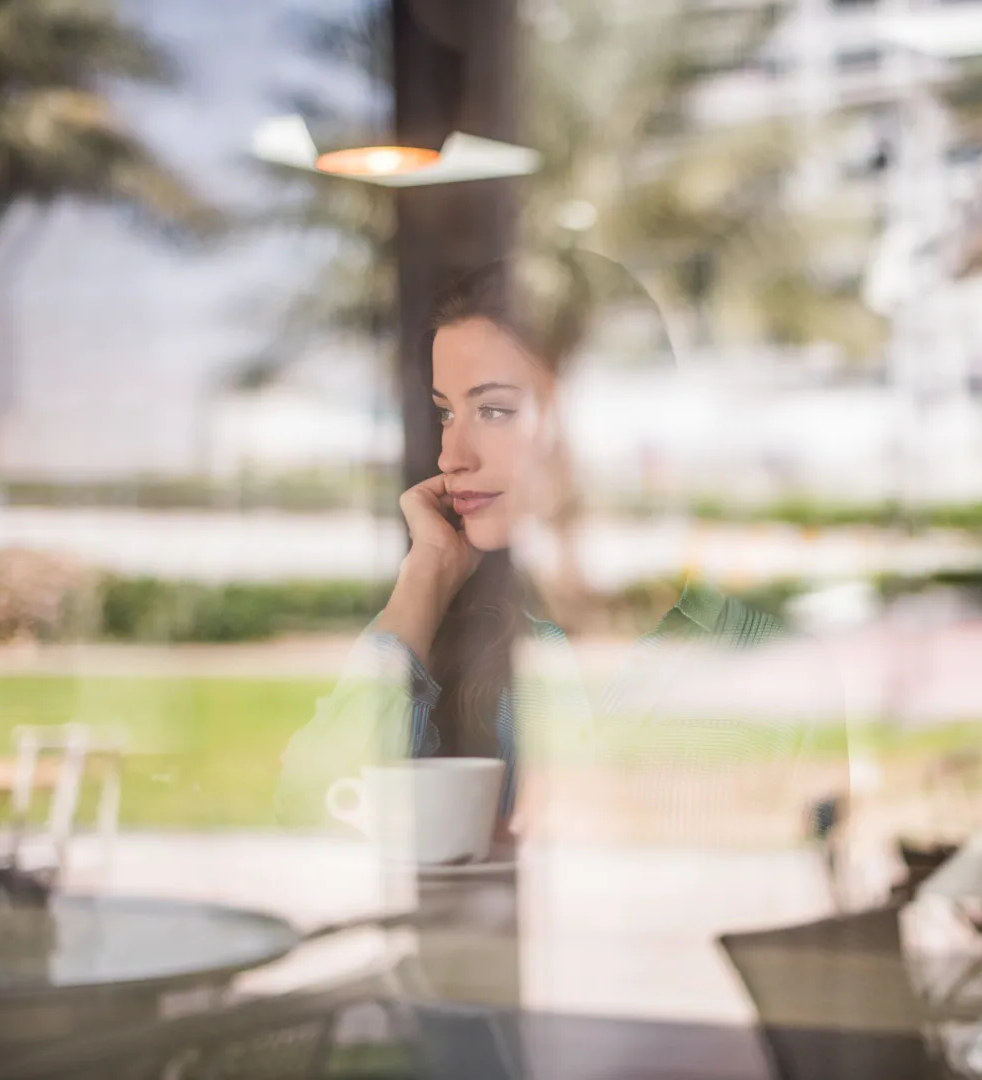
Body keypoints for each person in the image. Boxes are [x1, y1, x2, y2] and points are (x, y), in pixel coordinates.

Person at [276, 250, 848, 1078]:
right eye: (446, 412)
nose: (453, 456)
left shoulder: (755, 660)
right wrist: (424, 576)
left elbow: (796, 909)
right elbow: (309, 796)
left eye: (497, 411)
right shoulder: (483, 641)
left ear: (608, 420)